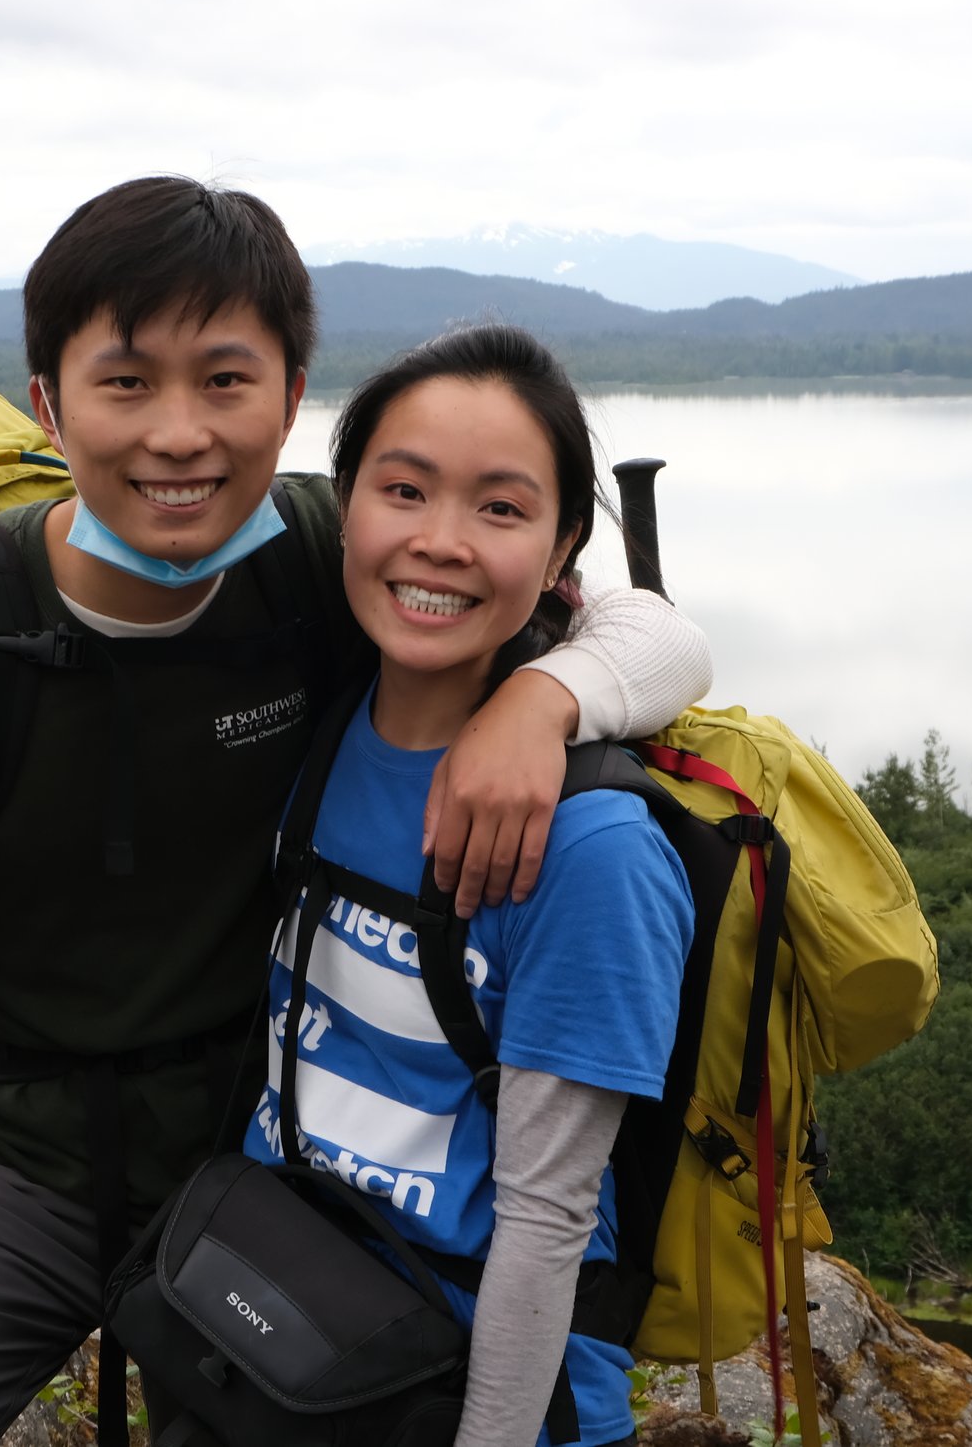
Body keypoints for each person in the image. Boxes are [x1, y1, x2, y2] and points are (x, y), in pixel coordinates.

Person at [0, 178, 711, 1447]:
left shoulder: (323, 552)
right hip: (18, 1158)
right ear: (50, 402)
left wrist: (541, 701)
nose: (181, 436)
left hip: (258, 1164)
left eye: (226, 381)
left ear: (291, 398)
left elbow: (659, 631)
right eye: (127, 382)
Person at [242, 325, 697, 1447]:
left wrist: (541, 700)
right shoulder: (321, 707)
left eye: (500, 508)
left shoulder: (592, 848)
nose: (438, 541)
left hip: (458, 1392)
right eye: (403, 490)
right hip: (271, 1320)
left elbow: (546, 1217)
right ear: (344, 508)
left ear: (560, 551)